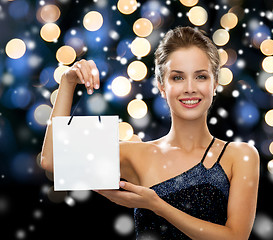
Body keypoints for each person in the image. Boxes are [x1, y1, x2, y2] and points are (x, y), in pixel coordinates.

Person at [41, 26, 260, 240]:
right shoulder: (137, 153)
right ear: (162, 86)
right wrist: (67, 83)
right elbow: (52, 162)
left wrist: (156, 205)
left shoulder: (240, 155)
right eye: (178, 77)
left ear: (215, 84)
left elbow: (236, 236)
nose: (190, 88)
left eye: (201, 77)